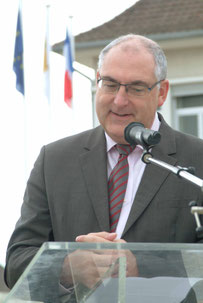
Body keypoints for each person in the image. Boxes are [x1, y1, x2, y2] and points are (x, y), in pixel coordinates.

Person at [5, 34, 203, 294]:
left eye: (135, 87)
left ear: (162, 92)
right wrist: (69, 266)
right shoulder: (54, 160)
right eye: (109, 84)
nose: (119, 100)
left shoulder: (196, 160)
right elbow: (16, 263)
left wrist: (143, 265)